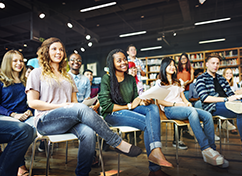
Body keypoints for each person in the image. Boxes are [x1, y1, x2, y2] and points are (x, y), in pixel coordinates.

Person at [25, 37, 142, 176]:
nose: (59, 52)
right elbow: (32, 102)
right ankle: (116, 142)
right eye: (54, 49)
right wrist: (61, 106)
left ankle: (82, 173)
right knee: (80, 110)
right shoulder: (37, 73)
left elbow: (74, 103)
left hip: (68, 119)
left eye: (61, 49)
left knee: (88, 132)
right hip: (45, 120)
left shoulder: (67, 76)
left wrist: (86, 108)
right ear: (46, 52)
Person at [98, 49, 172, 176]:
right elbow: (106, 106)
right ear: (112, 63)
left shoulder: (131, 79)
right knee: (149, 123)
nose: (124, 62)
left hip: (129, 109)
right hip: (112, 114)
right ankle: (155, 168)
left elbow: (134, 100)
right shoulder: (107, 78)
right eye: (119, 60)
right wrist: (128, 105)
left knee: (153, 108)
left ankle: (156, 151)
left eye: (125, 59)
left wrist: (143, 102)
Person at [195, 53, 242, 162]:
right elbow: (205, 98)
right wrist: (226, 100)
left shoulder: (221, 78)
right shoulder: (201, 78)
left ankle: (241, 103)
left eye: (217, 63)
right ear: (207, 64)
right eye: (213, 63)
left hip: (231, 103)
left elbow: (231, 94)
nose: (215, 65)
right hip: (214, 106)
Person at [156, 57, 228, 167]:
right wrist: (176, 104)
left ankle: (212, 151)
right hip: (169, 110)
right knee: (192, 112)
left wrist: (187, 102)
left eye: (173, 65)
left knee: (207, 115)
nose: (172, 67)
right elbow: (160, 101)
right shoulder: (159, 82)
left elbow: (182, 97)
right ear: (164, 67)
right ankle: (205, 148)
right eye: (169, 65)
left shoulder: (177, 82)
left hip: (183, 107)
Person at [0, 50, 36, 176]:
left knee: (33, 129)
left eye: (21, 60)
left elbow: (32, 101)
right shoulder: (1, 81)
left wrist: (29, 111)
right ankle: (13, 167)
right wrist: (13, 114)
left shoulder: (26, 82)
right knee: (24, 130)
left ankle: (10, 167)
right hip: (5, 118)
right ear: (7, 62)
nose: (19, 63)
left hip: (24, 118)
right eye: (15, 60)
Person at [222, 68, 242, 134]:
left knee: (240, 103)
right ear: (224, 74)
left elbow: (236, 91)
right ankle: (229, 125)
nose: (229, 75)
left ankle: (228, 123)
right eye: (227, 73)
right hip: (225, 100)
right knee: (232, 106)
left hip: (232, 100)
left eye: (230, 73)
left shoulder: (233, 82)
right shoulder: (221, 82)